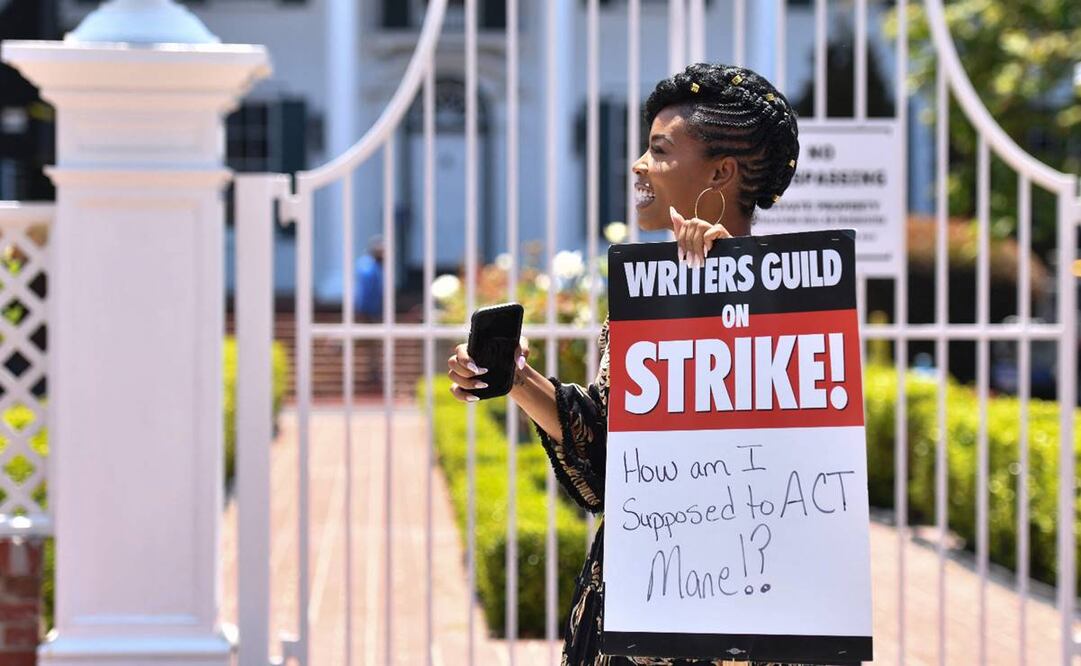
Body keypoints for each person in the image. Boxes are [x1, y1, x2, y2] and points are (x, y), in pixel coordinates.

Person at [448, 62, 802, 666]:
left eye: (659, 151)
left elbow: (785, 473)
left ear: (721, 172)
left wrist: (721, 287)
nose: (639, 165)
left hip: (747, 613)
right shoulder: (648, 295)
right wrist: (516, 377)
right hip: (639, 607)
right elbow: (614, 466)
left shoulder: (798, 302)